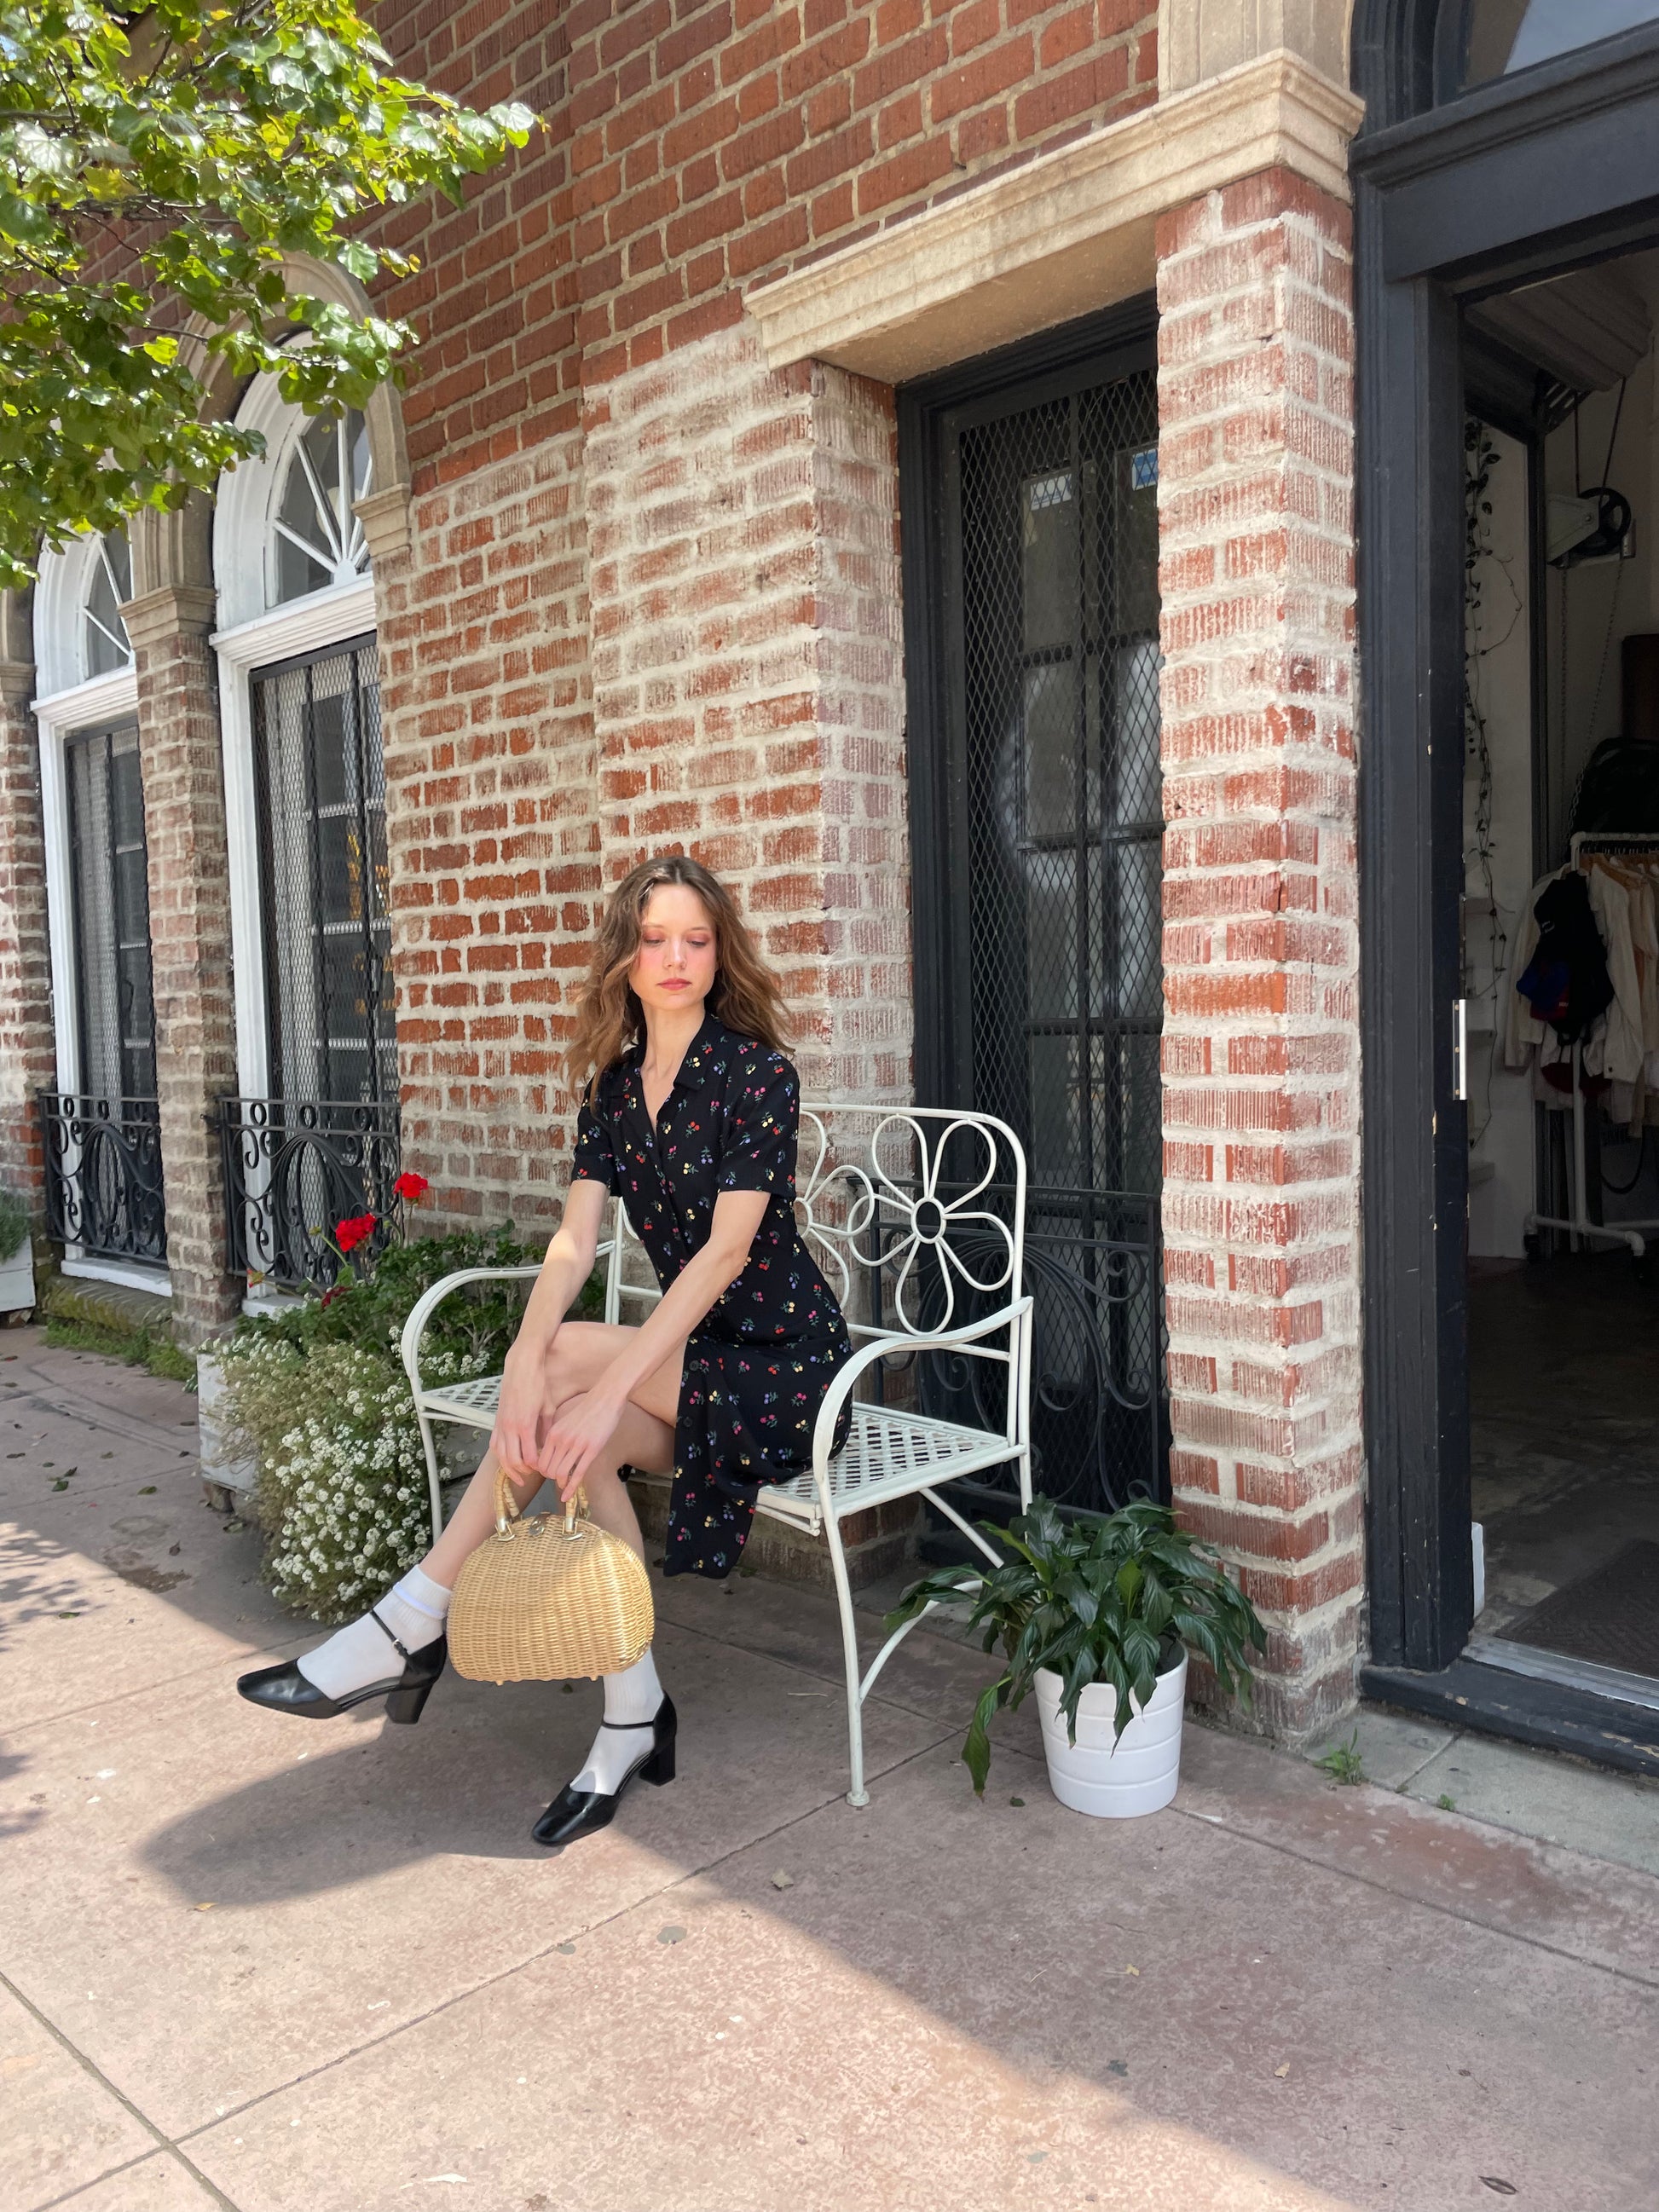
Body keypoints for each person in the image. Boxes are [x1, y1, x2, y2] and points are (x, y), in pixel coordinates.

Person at [238, 854, 853, 1849]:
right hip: (689, 1366)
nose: (675, 958)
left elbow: (722, 1256)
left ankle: (409, 1623)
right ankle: (629, 1716)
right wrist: (531, 1362)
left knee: (575, 1381)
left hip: (785, 1370)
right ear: (624, 954)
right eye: (654, 938)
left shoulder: (754, 1073)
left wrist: (600, 1380)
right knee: (571, 1427)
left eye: (696, 938)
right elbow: (574, 1240)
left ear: (720, 950)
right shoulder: (614, 1087)